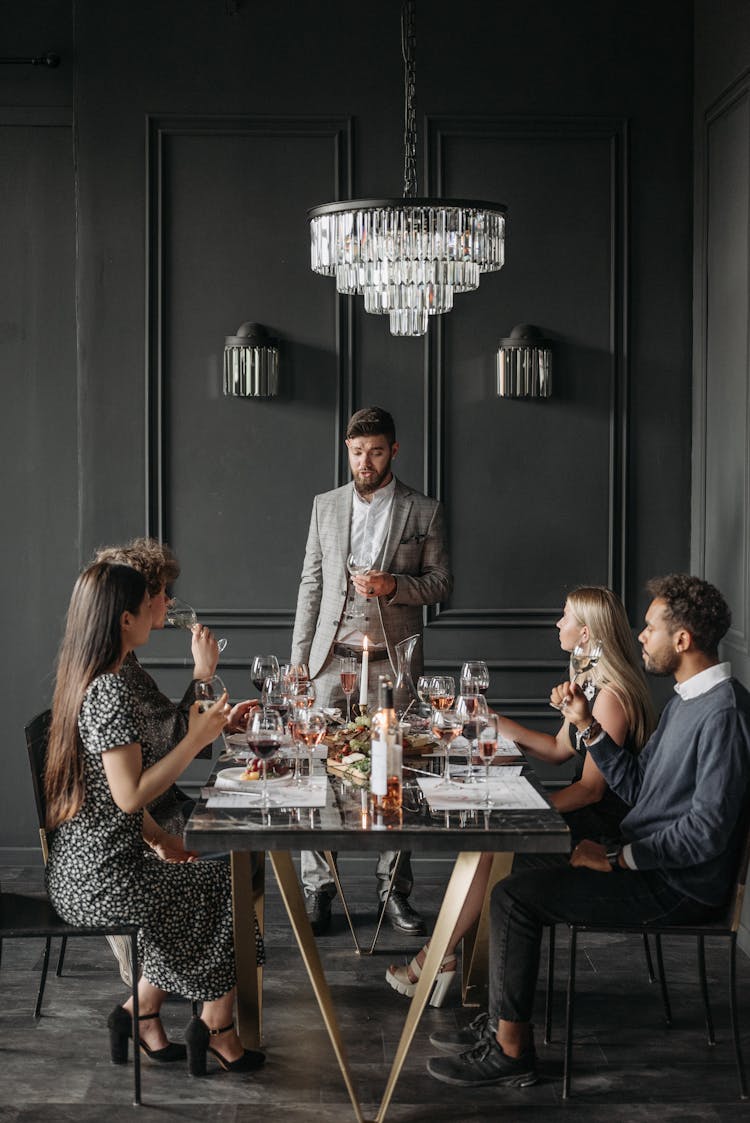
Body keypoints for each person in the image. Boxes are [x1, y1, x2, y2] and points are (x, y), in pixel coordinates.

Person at [425, 575, 750, 1089]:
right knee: (506, 867)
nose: (642, 636)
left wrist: (620, 859)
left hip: (677, 887)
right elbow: (641, 787)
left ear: (682, 640)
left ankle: (512, 1052)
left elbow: (706, 834)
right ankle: (500, 1023)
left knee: (513, 899)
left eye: (651, 628)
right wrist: (590, 729)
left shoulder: (723, 714)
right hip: (646, 863)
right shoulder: (687, 699)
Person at [386, 585, 655, 1005]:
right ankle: (444, 958)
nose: (557, 623)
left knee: (490, 845)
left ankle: (437, 958)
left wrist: (526, 812)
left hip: (606, 829)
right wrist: (491, 718)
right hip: (588, 812)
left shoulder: (613, 697)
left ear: (585, 633)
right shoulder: (589, 681)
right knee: (484, 840)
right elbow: (556, 749)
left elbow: (590, 790)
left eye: (565, 616)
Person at [44, 562, 265, 1075]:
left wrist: (161, 837)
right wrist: (197, 739)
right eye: (149, 604)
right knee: (224, 884)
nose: (156, 611)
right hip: (100, 880)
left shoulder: (95, 679)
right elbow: (128, 795)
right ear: (125, 619)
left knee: (217, 875)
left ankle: (143, 1013)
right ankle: (216, 1029)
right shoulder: (108, 692)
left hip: (91, 864)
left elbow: (108, 794)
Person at [290, 406, 453, 935]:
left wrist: (394, 587)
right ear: (347, 449)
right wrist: (298, 660)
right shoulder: (324, 506)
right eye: (358, 452)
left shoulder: (423, 510)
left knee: (395, 776)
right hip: (328, 662)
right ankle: (318, 890)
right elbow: (311, 585)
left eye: (376, 451)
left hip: (393, 666)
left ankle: (394, 894)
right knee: (316, 774)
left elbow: (441, 584)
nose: (366, 461)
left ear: (394, 451)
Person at [93, 538, 258, 985]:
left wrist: (218, 722)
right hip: (147, 817)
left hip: (151, 810)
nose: (168, 600)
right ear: (135, 605)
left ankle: (198, 984)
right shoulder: (113, 678)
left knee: (248, 839)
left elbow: (163, 726)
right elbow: (164, 746)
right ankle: (182, 981)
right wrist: (202, 677)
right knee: (242, 848)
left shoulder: (123, 663)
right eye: (160, 592)